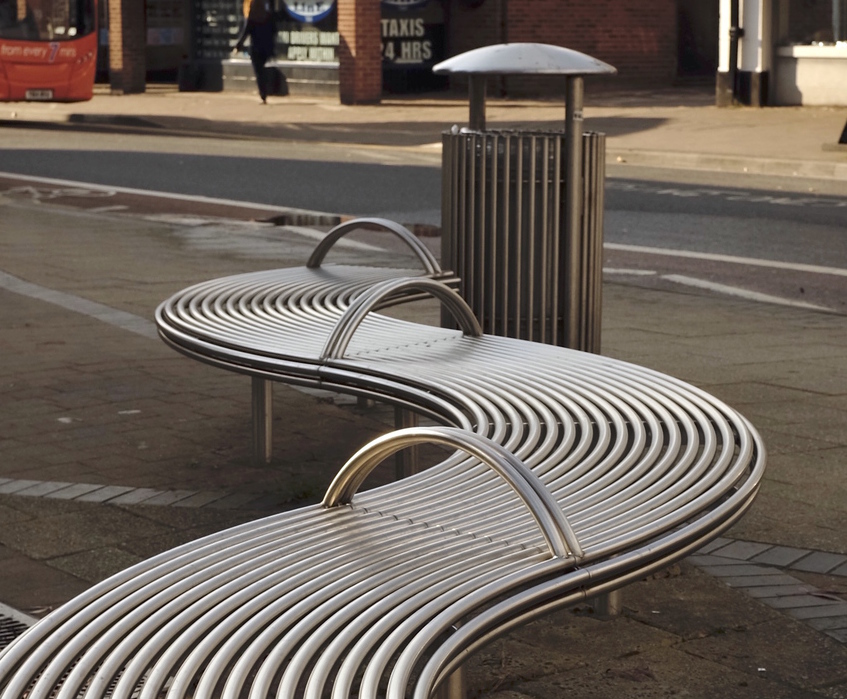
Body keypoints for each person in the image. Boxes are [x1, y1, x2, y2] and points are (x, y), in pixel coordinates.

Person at [235, 0, 277, 104]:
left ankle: (263, 94)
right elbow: (274, 31)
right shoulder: (267, 16)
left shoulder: (252, 18)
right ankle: (265, 90)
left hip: (256, 48)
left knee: (259, 72)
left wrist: (238, 46)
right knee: (262, 69)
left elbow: (245, 33)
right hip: (266, 47)